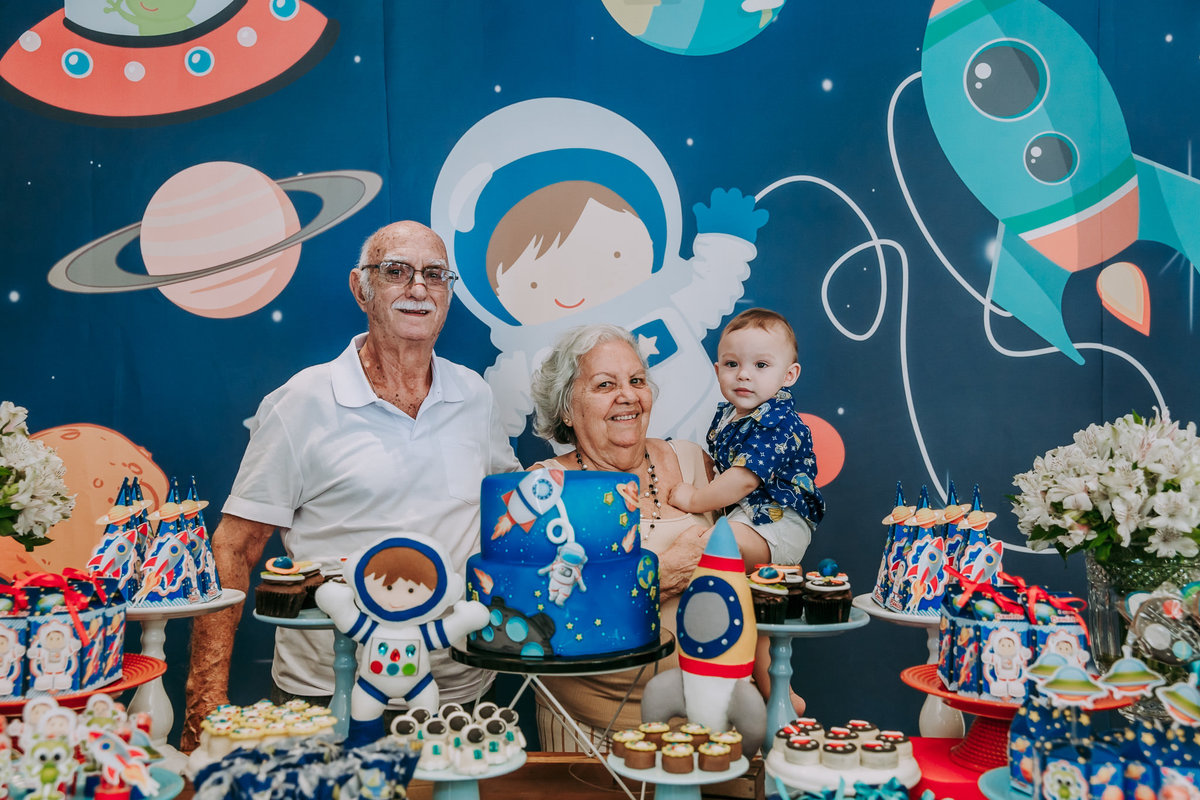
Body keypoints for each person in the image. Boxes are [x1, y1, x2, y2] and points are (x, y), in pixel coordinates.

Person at [182, 221, 519, 750]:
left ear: (449, 293)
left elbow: (508, 506)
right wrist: (204, 699)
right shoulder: (302, 402)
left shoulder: (473, 396)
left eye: (434, 274)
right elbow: (235, 545)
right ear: (361, 288)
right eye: (395, 272)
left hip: (455, 692)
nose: (417, 288)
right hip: (323, 695)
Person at [525, 323, 775, 751]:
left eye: (637, 381)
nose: (628, 395)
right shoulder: (543, 488)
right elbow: (542, 617)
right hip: (596, 730)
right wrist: (658, 576)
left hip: (714, 723)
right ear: (567, 408)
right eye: (606, 384)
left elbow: (759, 558)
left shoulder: (694, 462)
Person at [669, 308, 824, 566]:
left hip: (778, 521)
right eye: (732, 364)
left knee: (714, 546)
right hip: (743, 514)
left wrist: (695, 499)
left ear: (789, 375)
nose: (743, 374)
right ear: (718, 370)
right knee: (699, 545)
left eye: (761, 365)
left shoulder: (777, 422)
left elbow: (743, 480)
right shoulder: (728, 415)